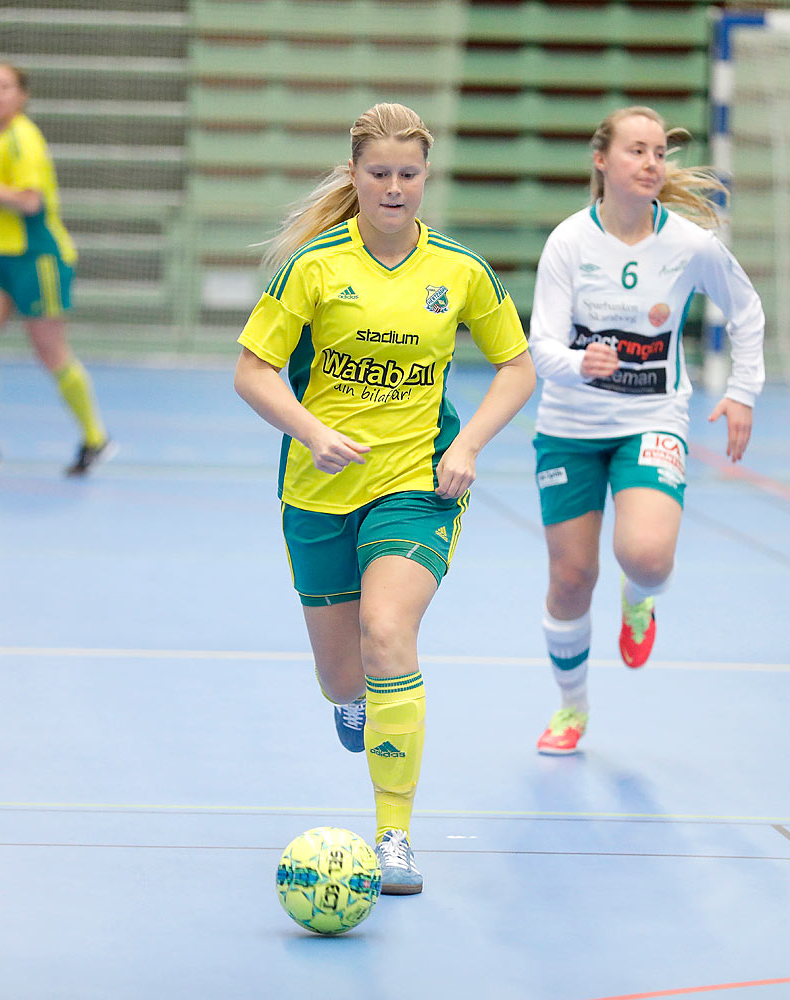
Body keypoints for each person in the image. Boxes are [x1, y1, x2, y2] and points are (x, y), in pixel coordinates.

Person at [233, 103, 534, 893]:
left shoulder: (460, 272)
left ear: (425, 176)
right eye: (380, 174)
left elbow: (518, 367)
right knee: (344, 680)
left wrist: (466, 446)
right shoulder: (315, 266)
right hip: (320, 488)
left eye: (409, 174)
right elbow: (252, 372)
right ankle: (359, 706)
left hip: (418, 483)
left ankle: (394, 837)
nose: (395, 188)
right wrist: (308, 430)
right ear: (355, 177)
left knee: (386, 628)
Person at [526, 106, 764, 755]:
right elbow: (540, 346)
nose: (652, 163)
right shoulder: (569, 243)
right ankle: (572, 709)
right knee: (572, 577)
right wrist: (580, 362)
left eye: (660, 152)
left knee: (648, 556)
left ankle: (640, 599)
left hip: (652, 418)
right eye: (637, 150)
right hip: (570, 427)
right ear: (602, 160)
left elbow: (746, 309)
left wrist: (742, 391)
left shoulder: (689, 245)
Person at [0, 61, 113, 477]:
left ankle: (95, 438)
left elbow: (30, 201)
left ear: (21, 95)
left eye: (3, 87)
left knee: (50, 352)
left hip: (37, 257)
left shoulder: (24, 139)